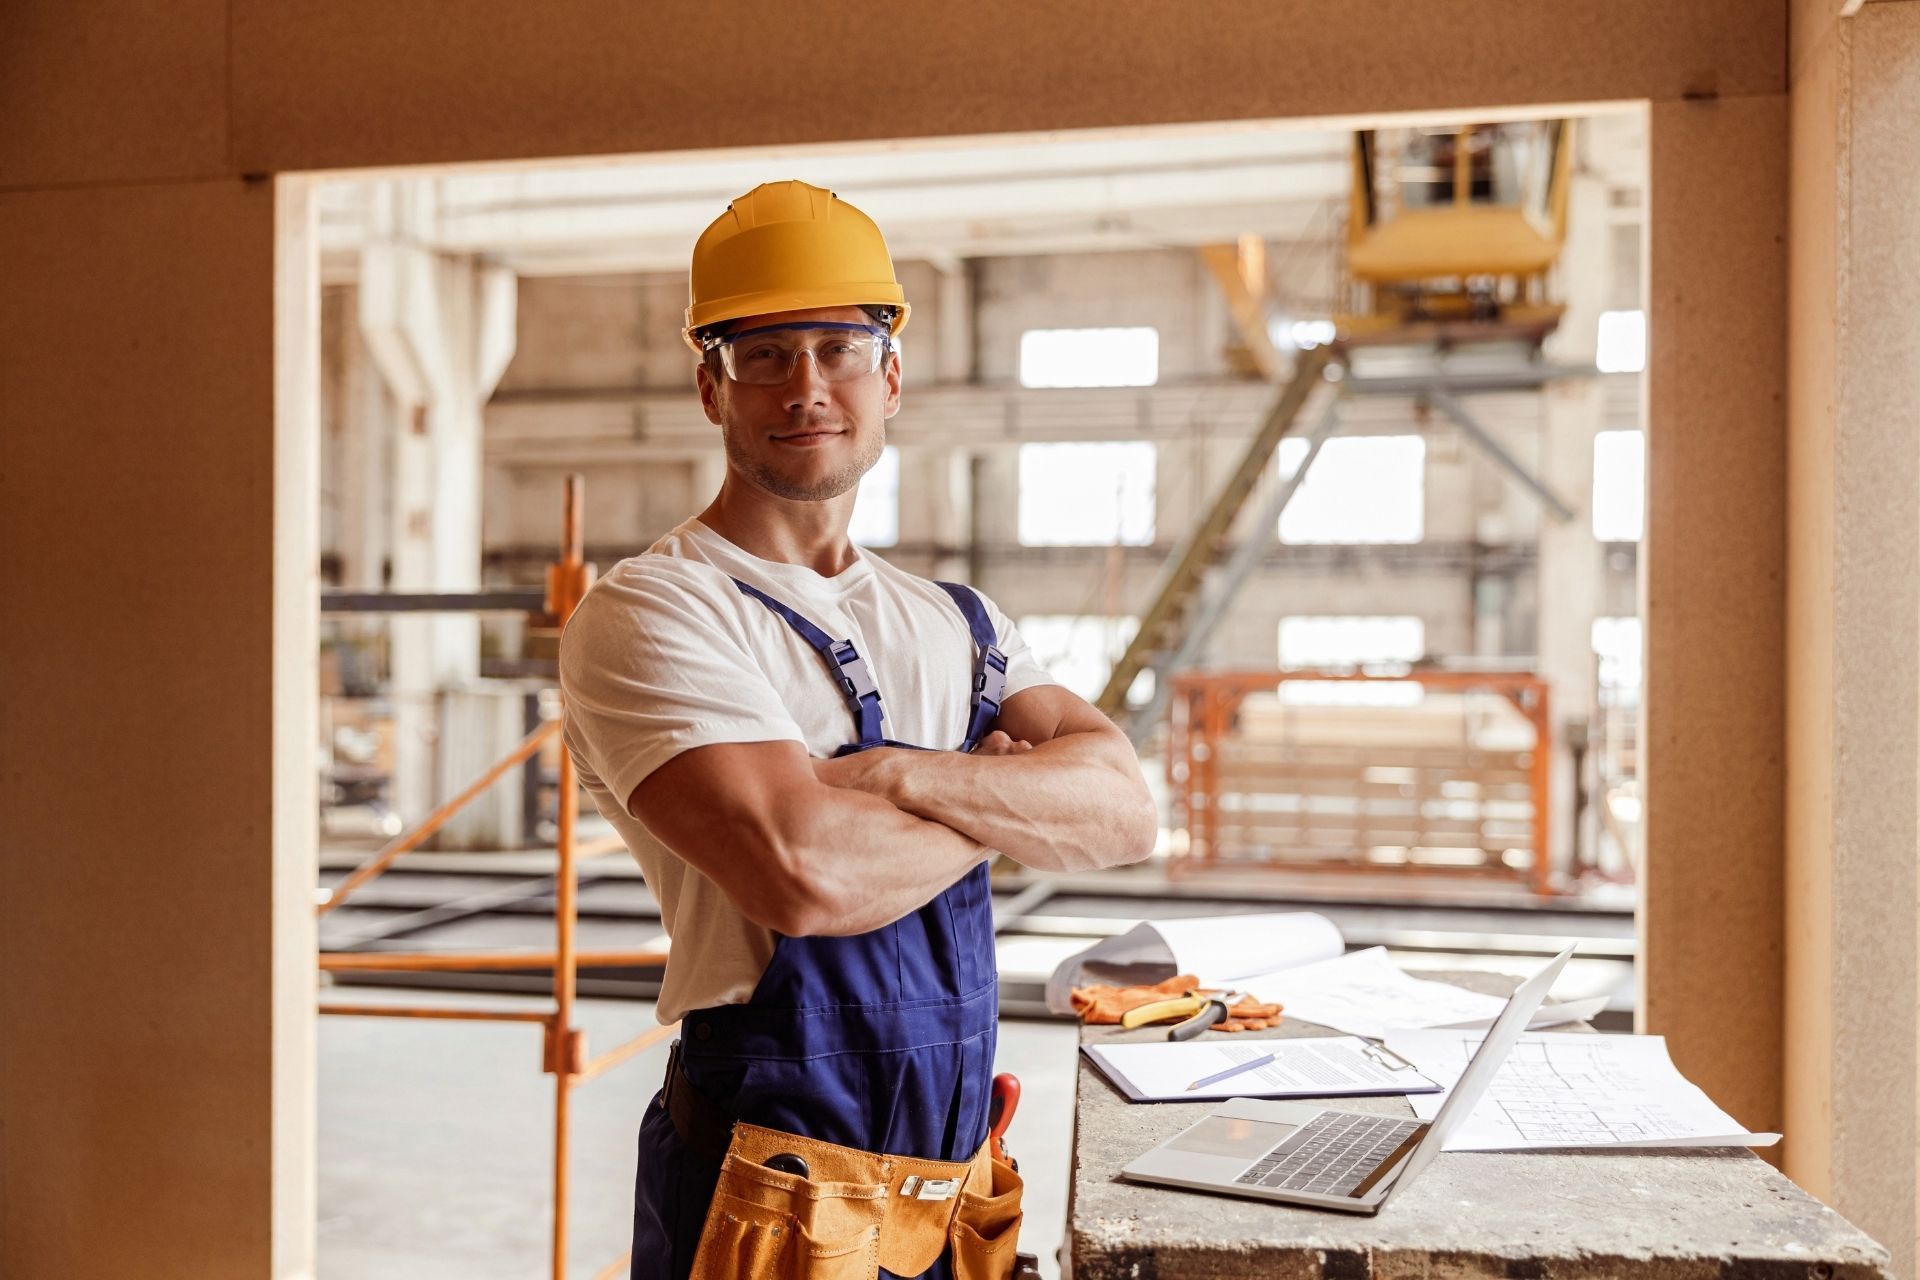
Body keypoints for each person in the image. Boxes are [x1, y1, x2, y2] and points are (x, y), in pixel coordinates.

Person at [559, 180, 1158, 1280]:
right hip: (766, 1188)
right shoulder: (656, 610)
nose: (806, 385)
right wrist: (996, 793)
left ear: (891, 376)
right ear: (711, 386)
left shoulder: (955, 619)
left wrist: (894, 779)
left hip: (950, 1182)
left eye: (839, 347)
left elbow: (1123, 808)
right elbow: (803, 874)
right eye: (766, 353)